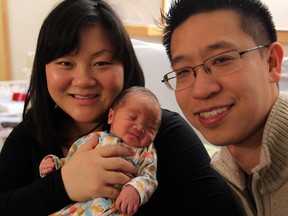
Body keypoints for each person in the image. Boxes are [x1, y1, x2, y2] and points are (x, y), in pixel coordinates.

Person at [0, 0, 239, 215]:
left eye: (101, 62)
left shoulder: (163, 133)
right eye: (65, 63)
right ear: (44, 69)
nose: (83, 80)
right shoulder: (31, 132)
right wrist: (62, 185)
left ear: (125, 67)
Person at [161, 0, 286, 215]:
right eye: (183, 71)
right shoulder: (213, 181)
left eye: (222, 60)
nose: (201, 90)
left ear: (272, 63)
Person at [39, 86, 161, 215]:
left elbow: (149, 178)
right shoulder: (95, 139)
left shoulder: (146, 152)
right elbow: (71, 163)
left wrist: (135, 189)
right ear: (111, 116)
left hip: (114, 208)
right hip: (80, 207)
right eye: (132, 117)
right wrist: (54, 164)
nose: (140, 127)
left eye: (150, 127)